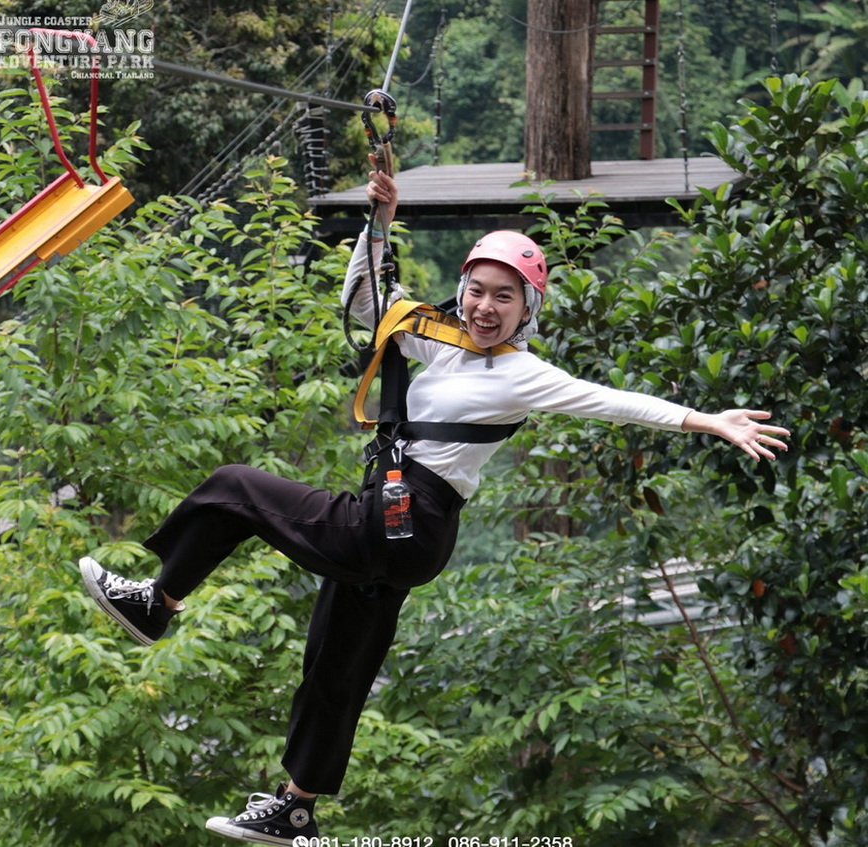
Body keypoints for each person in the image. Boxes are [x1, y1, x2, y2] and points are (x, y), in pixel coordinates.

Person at [79, 161, 790, 845]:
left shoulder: (525, 375)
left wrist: (708, 420)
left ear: (527, 307)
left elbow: (615, 404)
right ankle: (295, 808)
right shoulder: (440, 341)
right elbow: (365, 304)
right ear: (463, 288)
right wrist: (378, 223)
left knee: (235, 486)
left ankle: (157, 602)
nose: (485, 307)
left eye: (503, 297)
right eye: (477, 290)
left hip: (404, 518)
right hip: (404, 530)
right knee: (337, 661)